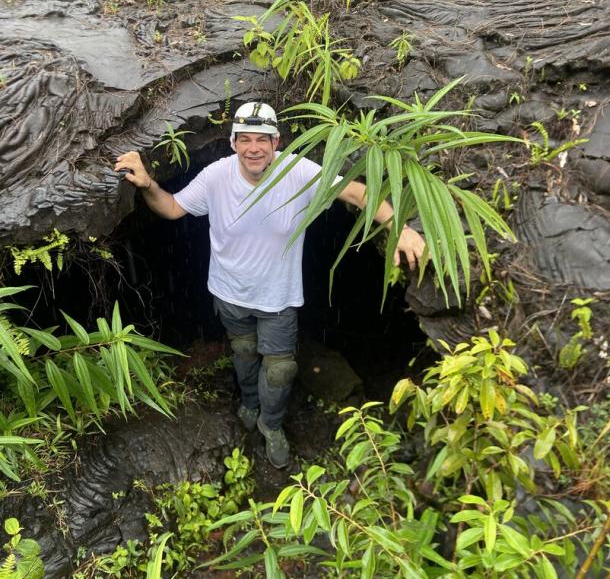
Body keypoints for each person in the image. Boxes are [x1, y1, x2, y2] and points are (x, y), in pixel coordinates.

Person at [115, 101, 425, 468]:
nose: (253, 148)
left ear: (276, 141)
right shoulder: (217, 175)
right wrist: (148, 182)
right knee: (244, 353)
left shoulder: (297, 172)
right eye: (244, 139)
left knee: (279, 369)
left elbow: (356, 193)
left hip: (278, 298)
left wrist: (400, 227)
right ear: (232, 143)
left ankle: (271, 424)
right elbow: (171, 208)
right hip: (229, 295)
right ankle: (248, 400)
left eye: (262, 139)